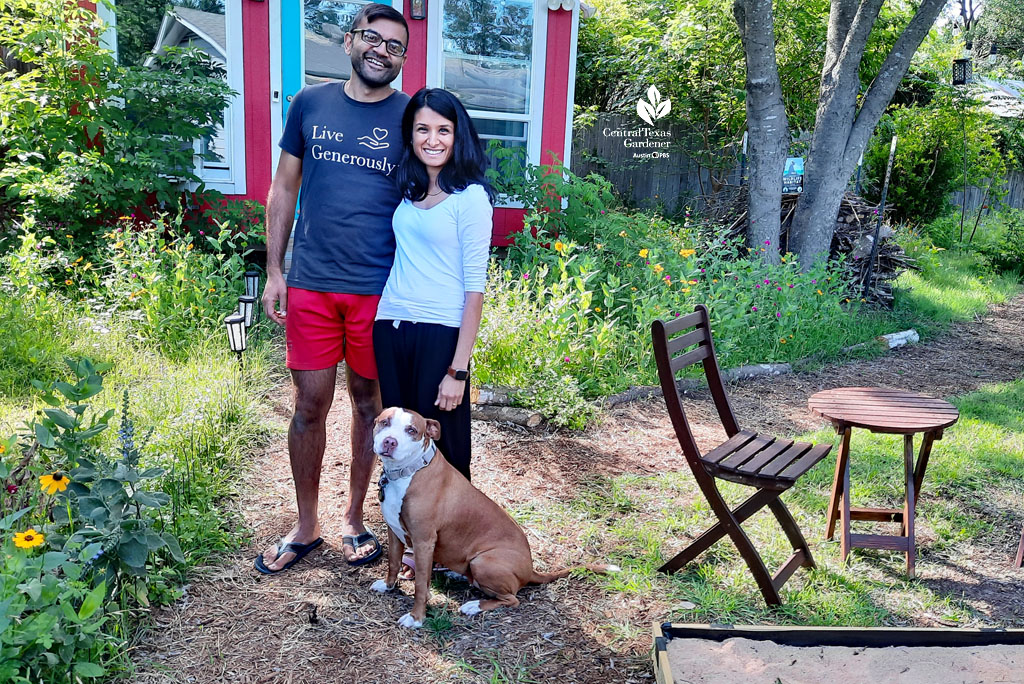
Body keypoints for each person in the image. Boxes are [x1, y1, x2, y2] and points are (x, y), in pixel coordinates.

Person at [256, 4, 410, 574]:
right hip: (313, 286)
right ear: (349, 41)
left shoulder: (409, 116)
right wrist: (276, 271)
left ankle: (354, 519)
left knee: (371, 406)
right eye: (373, 38)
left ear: (401, 59)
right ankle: (306, 525)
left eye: (395, 46)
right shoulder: (309, 104)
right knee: (309, 405)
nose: (382, 51)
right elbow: (283, 189)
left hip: (380, 290)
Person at [372, 88, 494, 578]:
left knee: (446, 443)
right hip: (391, 326)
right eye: (423, 128)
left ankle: (452, 550)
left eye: (443, 129)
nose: (433, 138)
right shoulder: (407, 192)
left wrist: (457, 370)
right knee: (399, 443)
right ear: (412, 135)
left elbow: (474, 289)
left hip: (440, 334)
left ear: (457, 135)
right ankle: (406, 542)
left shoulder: (471, 198)